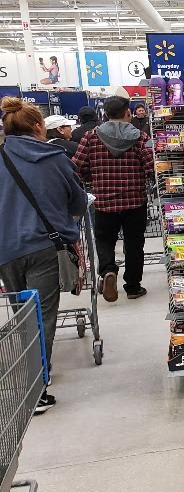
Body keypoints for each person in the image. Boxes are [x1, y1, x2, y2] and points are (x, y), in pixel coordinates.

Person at [0, 97, 87, 414]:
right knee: (41, 318)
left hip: (5, 250)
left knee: (22, 314)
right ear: (39, 126)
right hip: (43, 246)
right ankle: (37, 389)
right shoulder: (55, 158)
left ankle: (30, 376)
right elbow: (77, 202)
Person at [73, 96, 153, 302]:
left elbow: (77, 167)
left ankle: (108, 271)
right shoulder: (140, 138)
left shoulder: (91, 137)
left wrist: (94, 178)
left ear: (106, 115)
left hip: (104, 202)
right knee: (134, 243)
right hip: (135, 201)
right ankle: (133, 286)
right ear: (128, 113)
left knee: (105, 240)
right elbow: (151, 167)